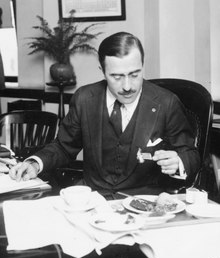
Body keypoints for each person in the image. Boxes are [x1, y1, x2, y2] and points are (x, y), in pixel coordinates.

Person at [9, 32, 200, 195]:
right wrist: (35, 163)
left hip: (145, 205)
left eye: (135, 74)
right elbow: (64, 147)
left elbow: (190, 154)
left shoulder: (166, 102)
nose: (127, 86)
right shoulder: (84, 98)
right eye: (116, 76)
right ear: (102, 71)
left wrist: (179, 162)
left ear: (143, 65)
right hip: (93, 200)